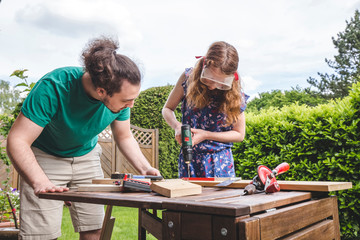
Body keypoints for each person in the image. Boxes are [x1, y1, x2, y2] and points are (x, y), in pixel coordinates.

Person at [6, 36, 160, 240]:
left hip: (86, 155)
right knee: (41, 235)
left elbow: (124, 136)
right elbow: (17, 140)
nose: (131, 105)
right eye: (127, 100)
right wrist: (40, 181)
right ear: (101, 91)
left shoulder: (120, 98)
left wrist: (145, 168)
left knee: (94, 229)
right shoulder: (55, 86)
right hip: (45, 157)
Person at [162, 41, 248, 178]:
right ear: (205, 65)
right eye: (209, 79)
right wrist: (177, 126)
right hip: (189, 159)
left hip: (221, 163)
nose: (213, 86)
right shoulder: (187, 78)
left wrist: (206, 134)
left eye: (220, 83)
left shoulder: (235, 93)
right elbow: (167, 109)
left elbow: (239, 134)